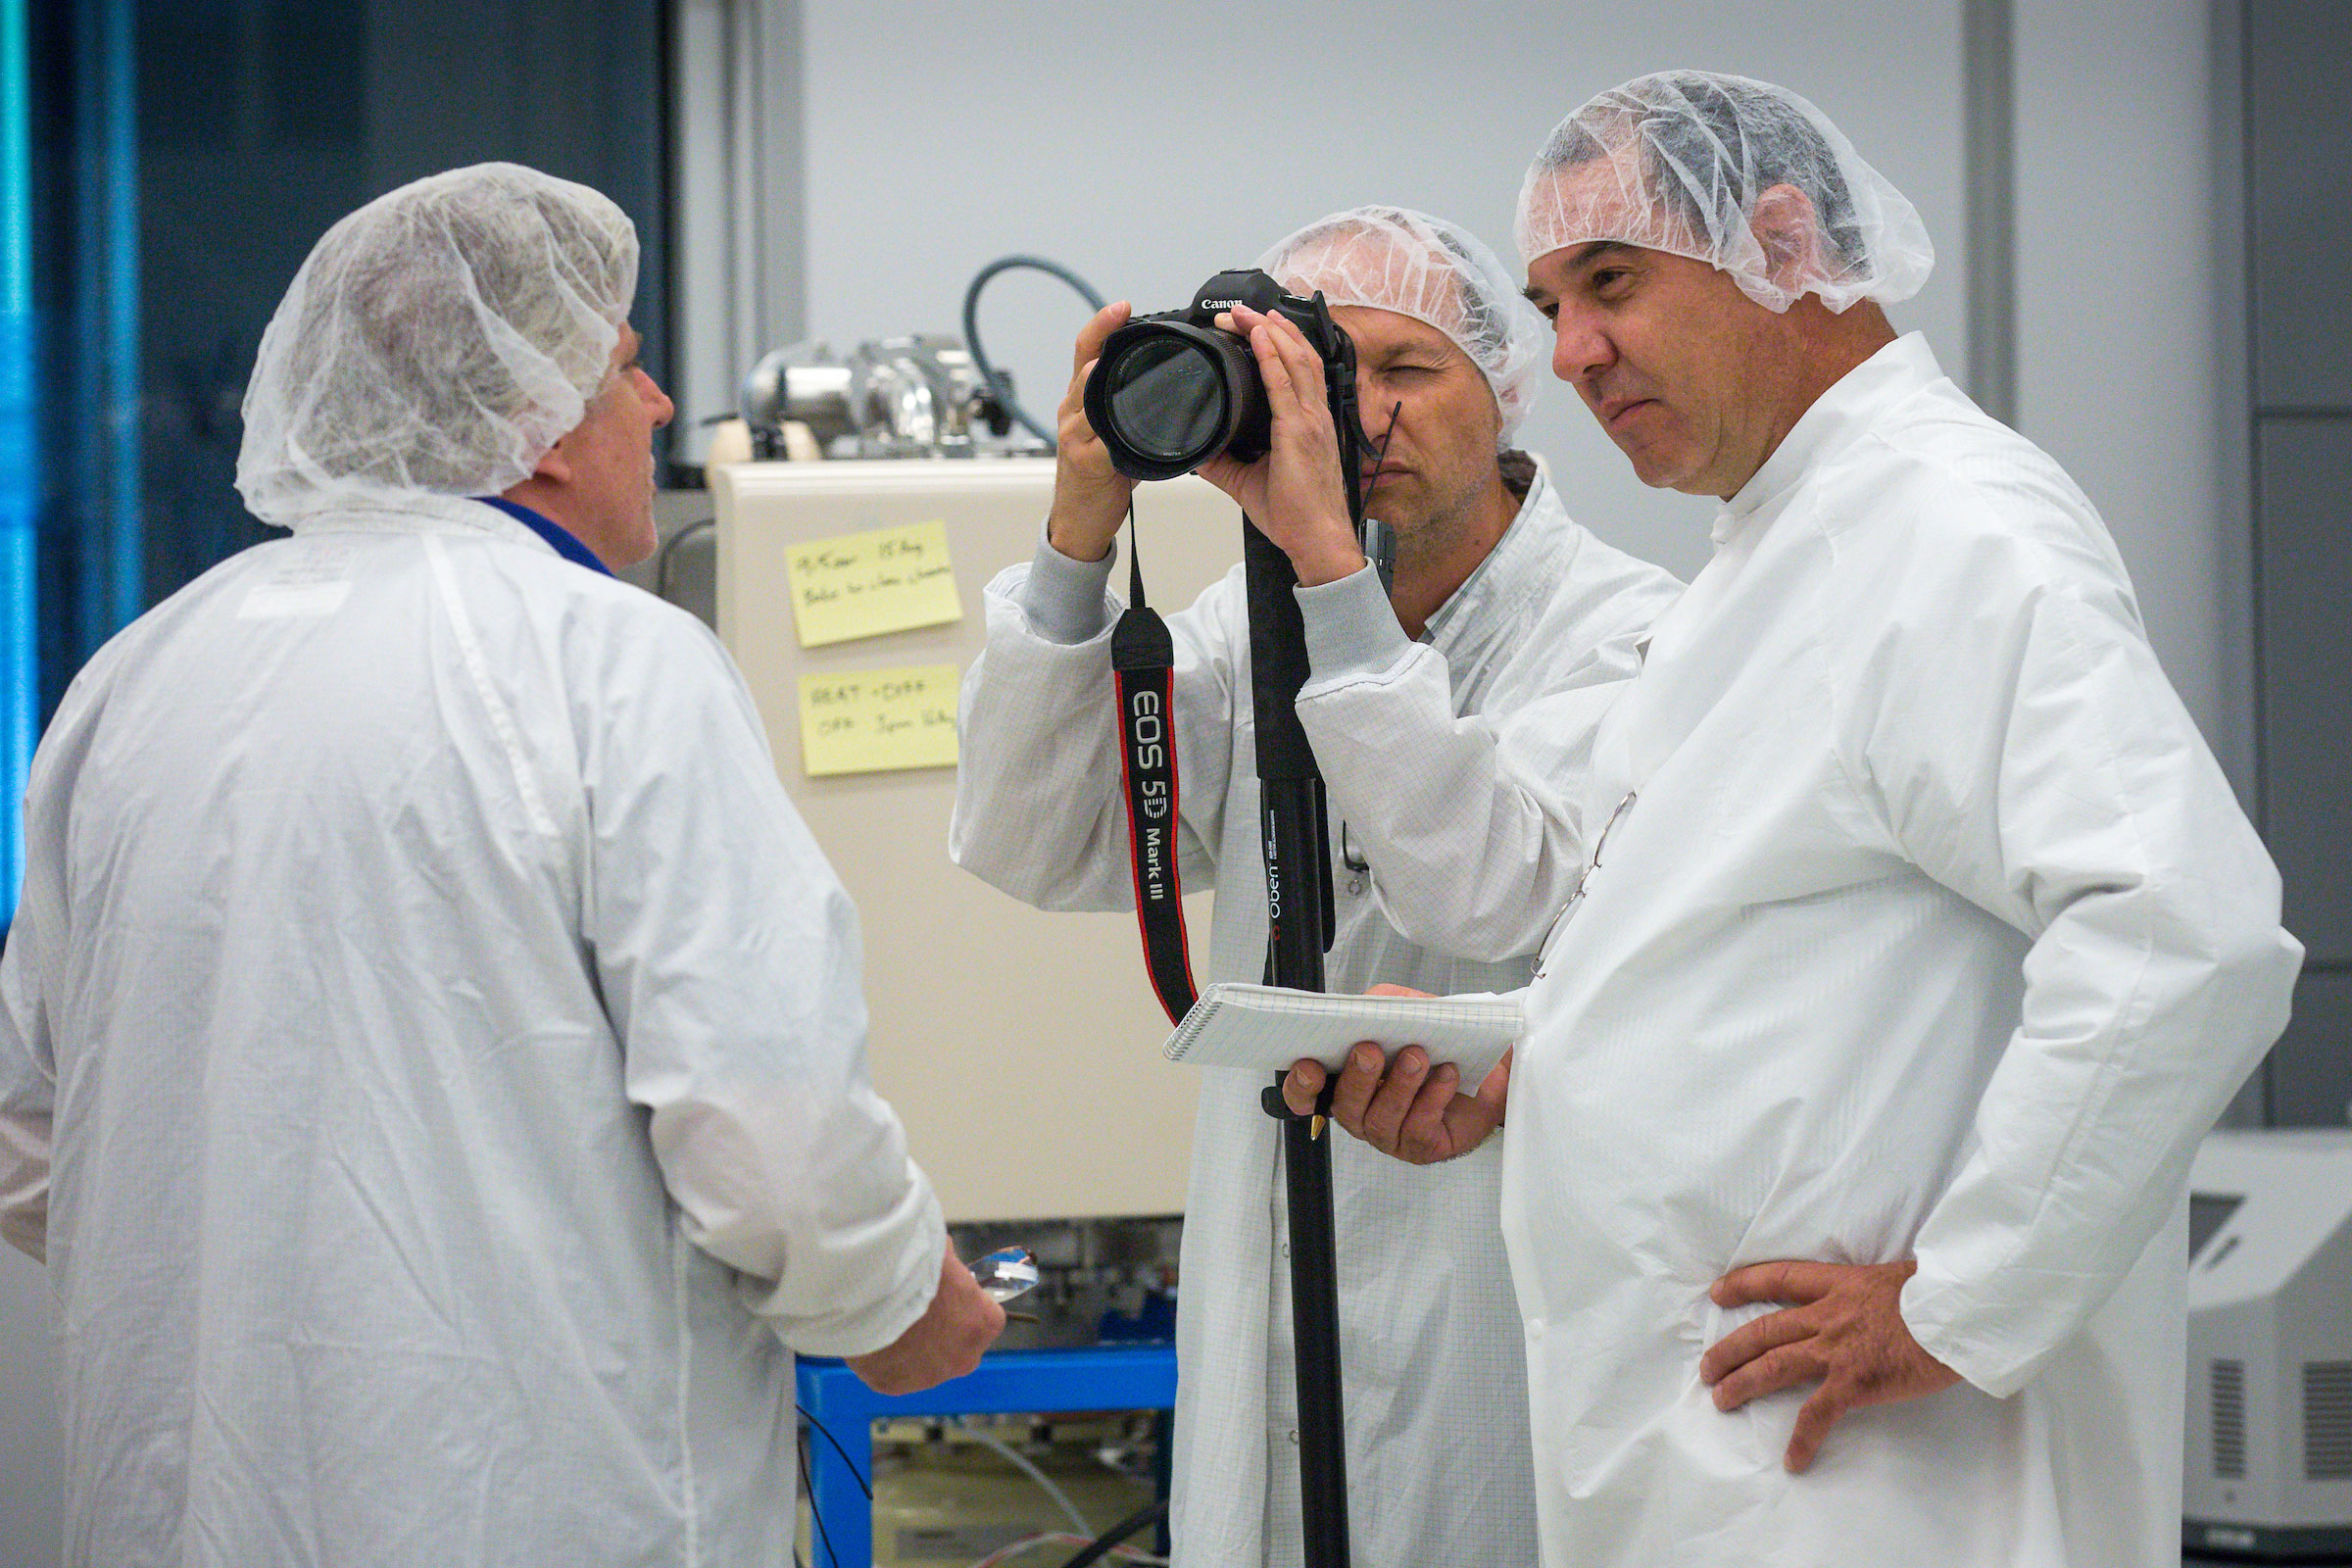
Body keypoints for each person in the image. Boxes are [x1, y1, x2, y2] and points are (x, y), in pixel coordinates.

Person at [1283, 72, 2303, 1568]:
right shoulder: (1774, 557)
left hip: (1876, 1482)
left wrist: (1961, 1298)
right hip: (1731, 1471)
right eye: (1551, 303)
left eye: (1610, 283)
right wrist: (1517, 1065)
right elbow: (1749, 952)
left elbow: (2183, 932)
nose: (1567, 355)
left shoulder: (1948, 529)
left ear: (1779, 239)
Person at [0, 163, 1002, 1567]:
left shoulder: (133, 679)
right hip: (541, 1507)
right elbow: (773, 1141)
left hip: (184, 1510)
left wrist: (256, 1268)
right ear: (532, 421)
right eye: (631, 370)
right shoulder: (613, 662)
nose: (659, 411)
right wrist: (906, 1310)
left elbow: (33, 1137)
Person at [952, 205, 1680, 1567]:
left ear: (1505, 394)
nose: (1370, 420)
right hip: (1273, 1300)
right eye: (1325, 377)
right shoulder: (1244, 624)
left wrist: (1334, 578)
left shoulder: (1632, 635)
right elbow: (1035, 838)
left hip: (1504, 1314)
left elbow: (1487, 888)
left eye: (1406, 372)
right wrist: (1075, 540)